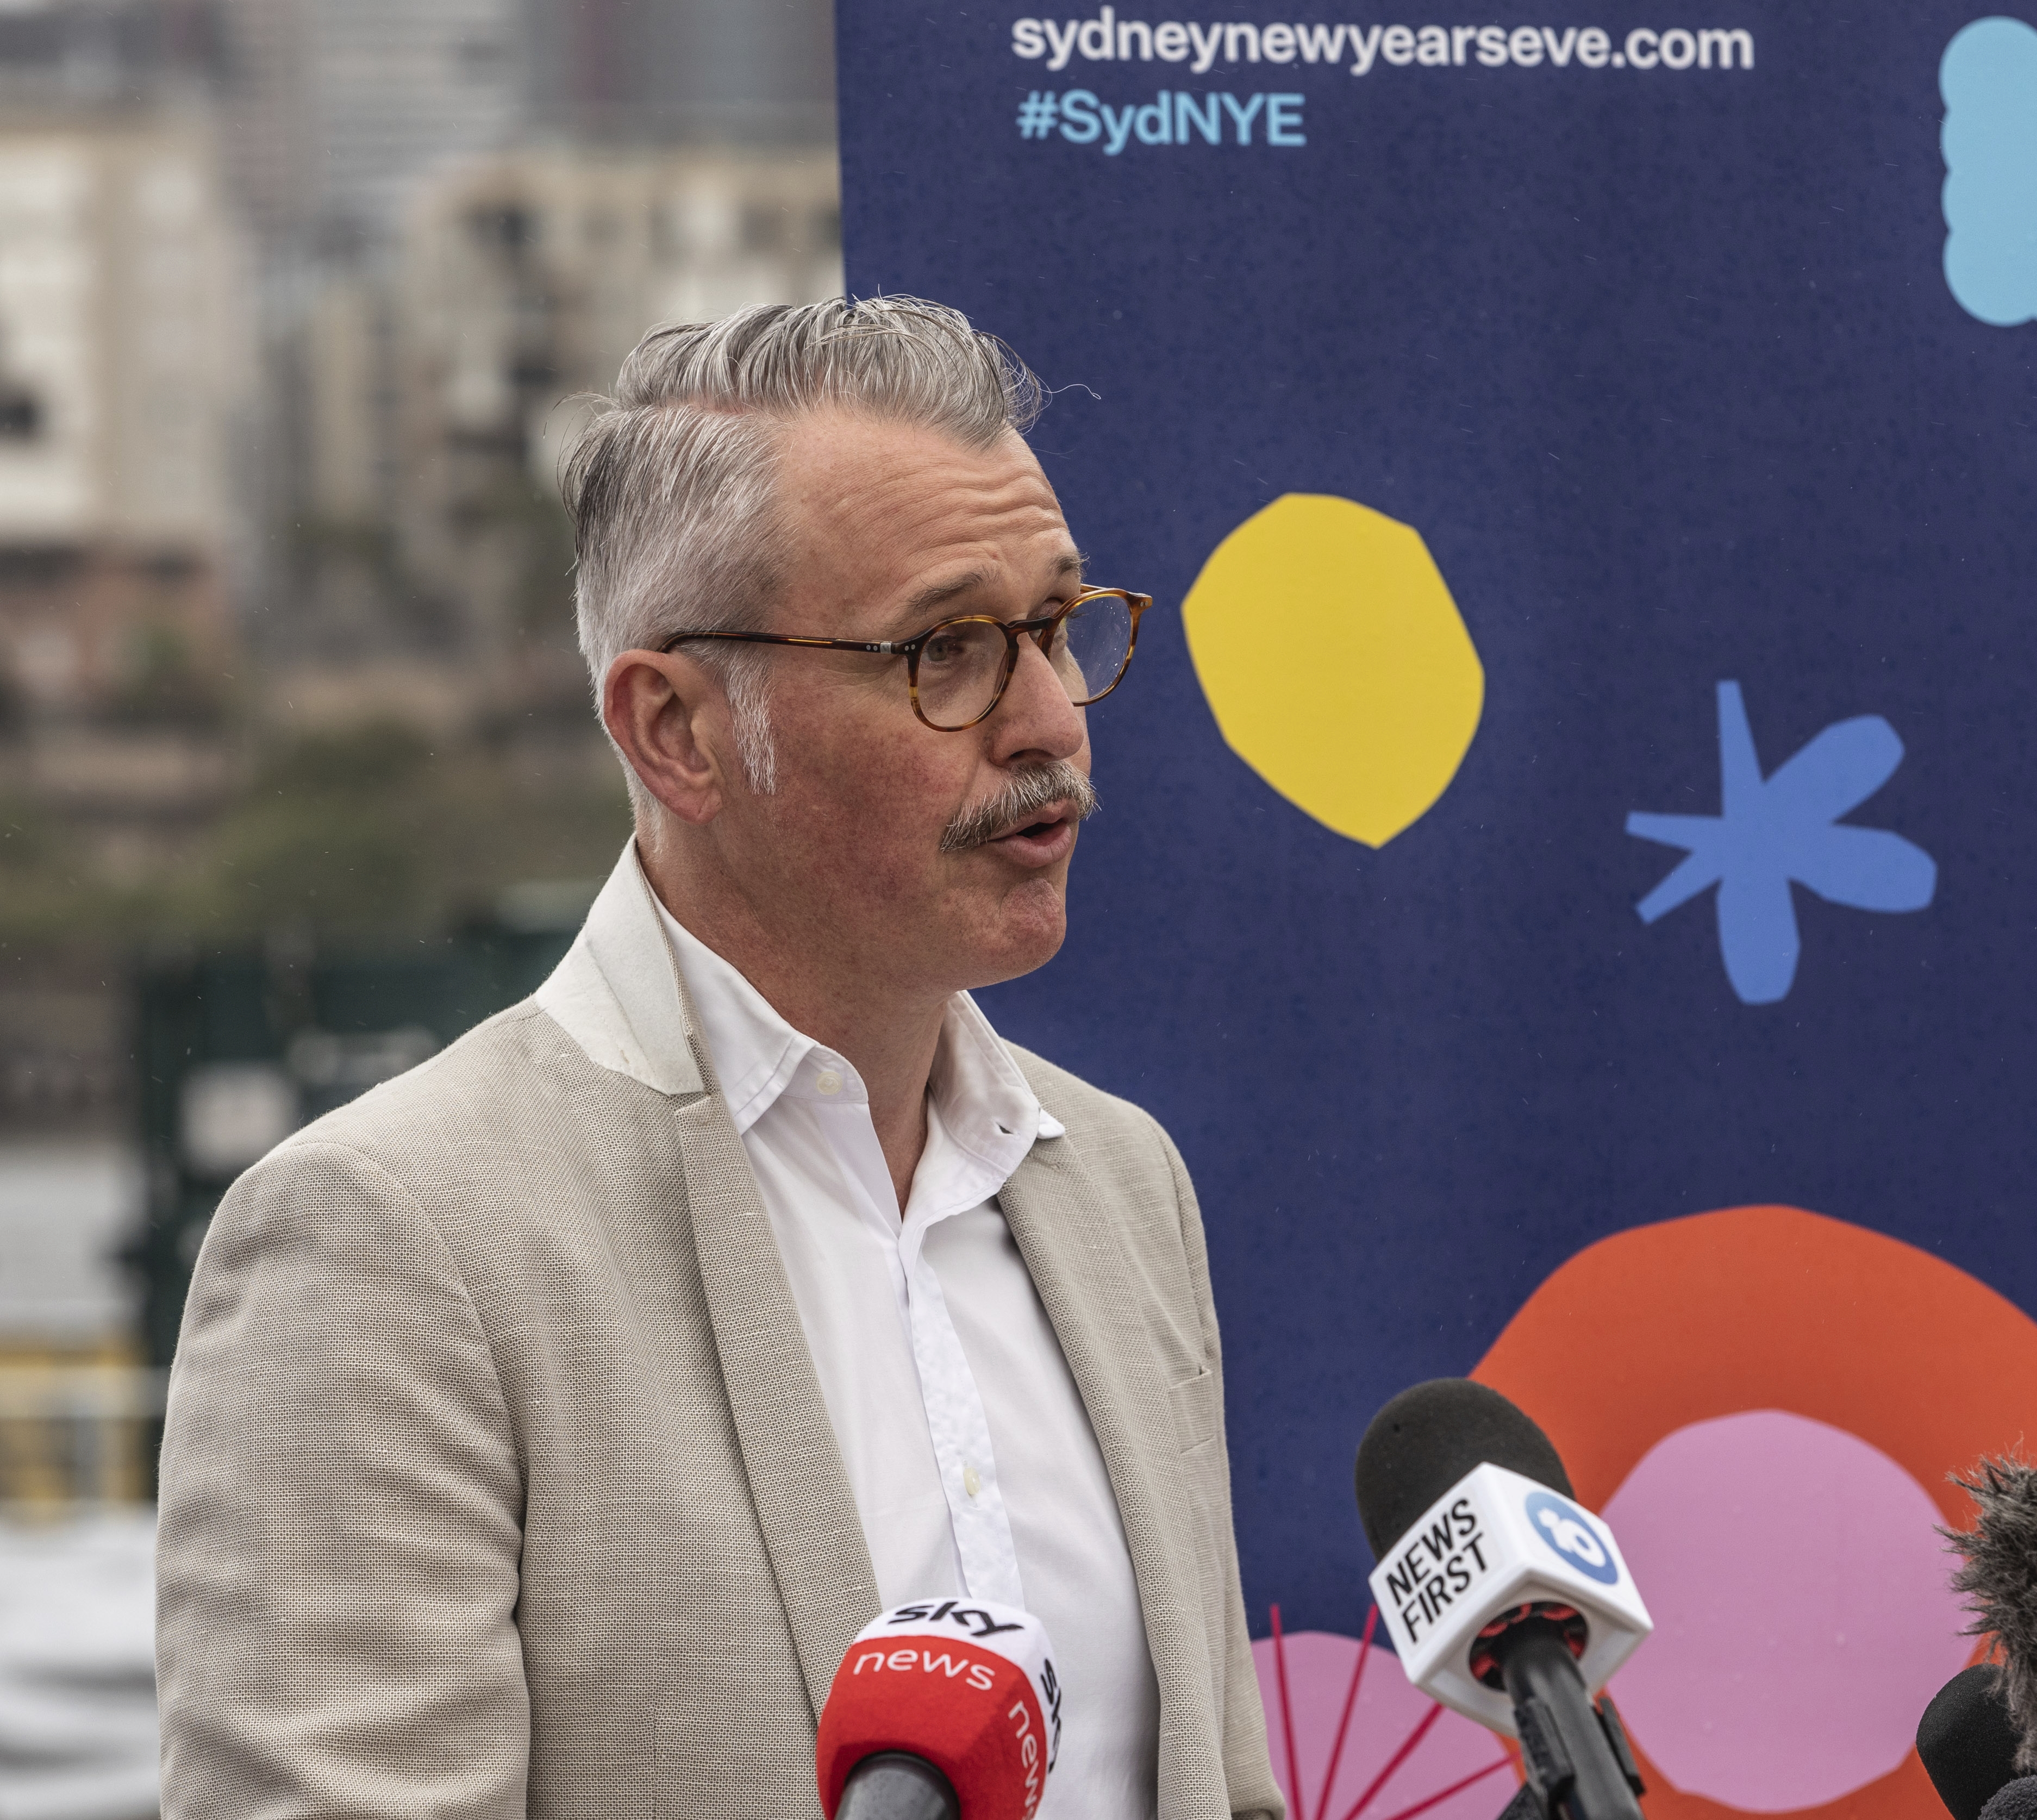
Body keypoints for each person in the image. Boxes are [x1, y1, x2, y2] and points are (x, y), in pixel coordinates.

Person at [155, 297, 1284, 1820]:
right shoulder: (394, 1237)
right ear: (675, 730)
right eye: (947, 650)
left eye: (1061, 628)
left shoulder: (1120, 1185)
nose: (1049, 721)